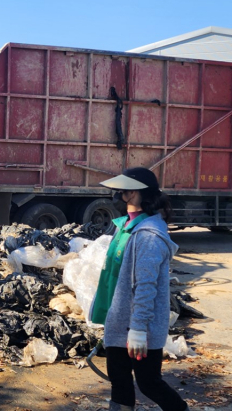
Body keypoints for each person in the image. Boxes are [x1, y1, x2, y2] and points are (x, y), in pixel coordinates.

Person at [91, 167, 189, 411]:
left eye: (121, 190)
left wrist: (137, 329)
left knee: (149, 383)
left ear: (134, 193)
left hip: (137, 328)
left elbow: (145, 286)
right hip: (119, 321)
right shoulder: (125, 227)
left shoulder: (149, 235)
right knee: (120, 382)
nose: (116, 194)